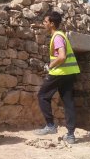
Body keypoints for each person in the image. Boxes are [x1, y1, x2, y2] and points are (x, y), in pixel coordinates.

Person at [33, 11, 80, 144]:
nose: (43, 24)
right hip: (70, 73)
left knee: (42, 95)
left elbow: (62, 56)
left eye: (45, 22)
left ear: (52, 24)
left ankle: (50, 126)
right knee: (68, 102)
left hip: (59, 72)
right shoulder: (61, 36)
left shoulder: (57, 36)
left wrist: (50, 66)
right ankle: (71, 135)